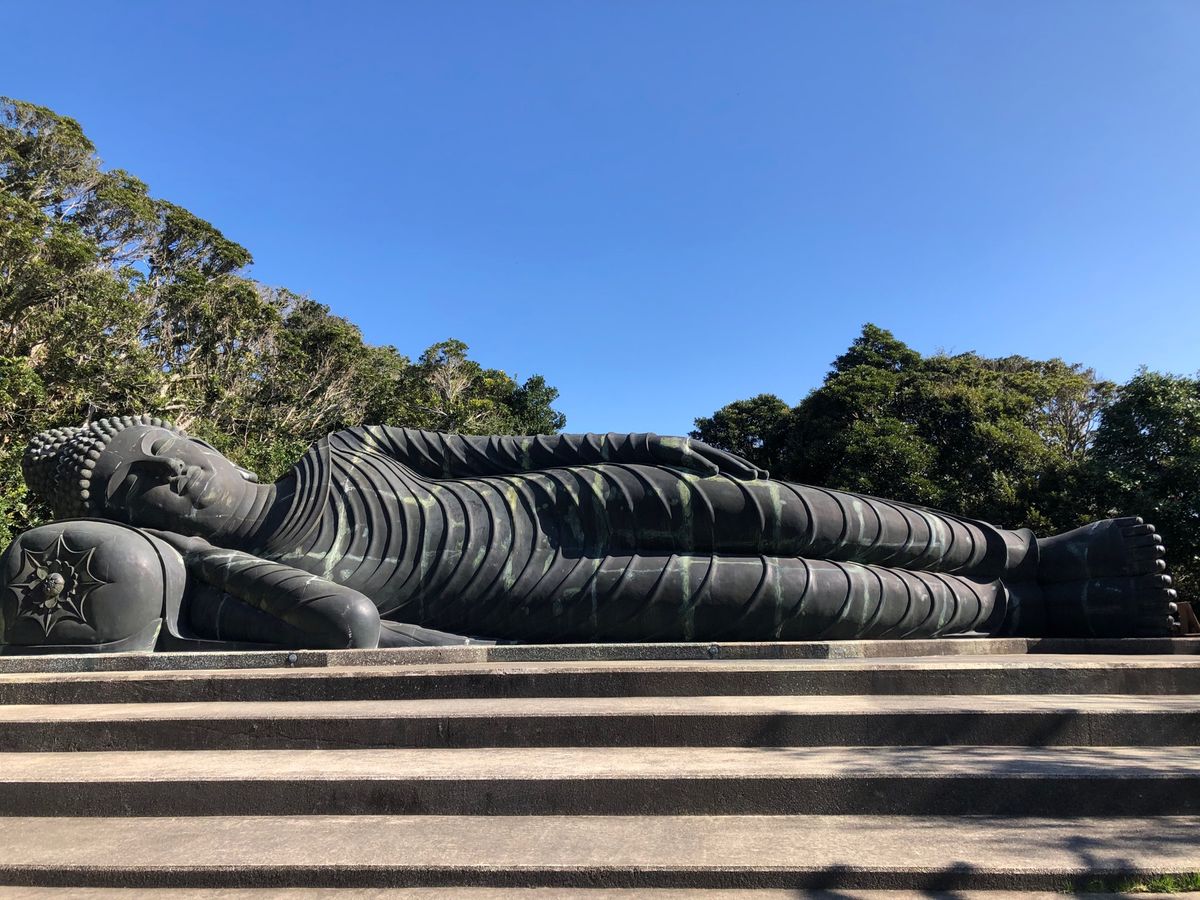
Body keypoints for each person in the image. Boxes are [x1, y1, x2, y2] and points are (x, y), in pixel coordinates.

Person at [13, 415, 1176, 650]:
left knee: (791, 513)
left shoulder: (344, 447)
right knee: (794, 594)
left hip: (561, 501)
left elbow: (506, 456)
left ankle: (1026, 552)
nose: (170, 473)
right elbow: (379, 638)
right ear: (130, 519)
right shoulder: (251, 583)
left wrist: (651, 446)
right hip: (533, 596)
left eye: (164, 446)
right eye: (137, 483)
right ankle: (1034, 606)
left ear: (204, 437)